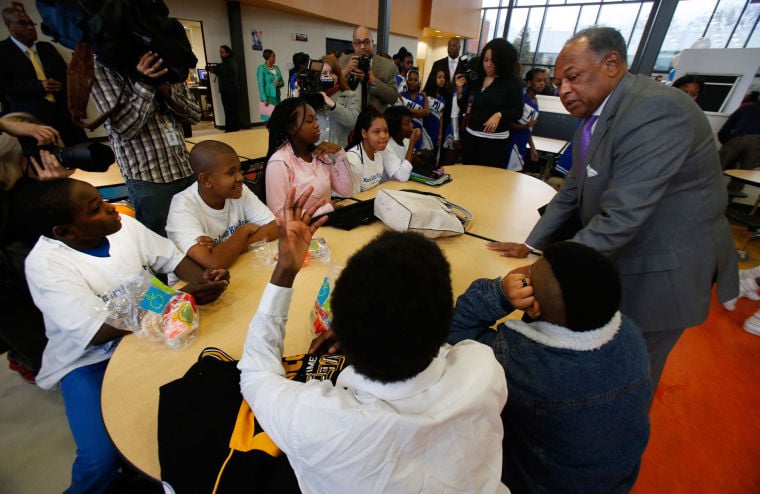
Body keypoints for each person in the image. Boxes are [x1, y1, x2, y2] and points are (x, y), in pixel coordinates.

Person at [487, 26, 738, 395]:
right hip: (628, 260)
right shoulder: (596, 117)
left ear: (611, 64)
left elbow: (622, 217)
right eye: (559, 82)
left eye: (573, 77)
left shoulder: (656, 110)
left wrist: (546, 272)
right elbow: (573, 189)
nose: (564, 90)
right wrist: (532, 245)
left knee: (629, 381)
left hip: (664, 273)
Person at [238, 188, 509, 493]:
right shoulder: (483, 369)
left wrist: (286, 270)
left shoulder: (321, 423)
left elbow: (255, 373)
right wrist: (373, 326)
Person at [22, 177, 229, 493]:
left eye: (101, 199)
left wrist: (204, 279)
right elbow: (96, 331)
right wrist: (179, 299)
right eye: (95, 209)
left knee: (205, 401)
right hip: (90, 362)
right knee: (99, 461)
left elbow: (174, 261)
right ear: (65, 232)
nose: (112, 208)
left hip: (151, 336)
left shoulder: (122, 227)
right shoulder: (47, 266)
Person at [450, 241, 651, 493]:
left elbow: (456, 335)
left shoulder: (524, 364)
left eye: (528, 276)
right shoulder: (629, 333)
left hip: (541, 484)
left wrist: (501, 291)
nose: (524, 274)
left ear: (533, 307)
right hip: (613, 478)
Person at [91, 51, 201, 236]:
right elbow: (124, 128)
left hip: (183, 167)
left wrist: (166, 90)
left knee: (196, 234)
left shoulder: (162, 59)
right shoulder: (102, 64)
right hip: (148, 177)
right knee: (161, 245)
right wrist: (145, 84)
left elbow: (195, 115)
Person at [0, 113, 70, 382]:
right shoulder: (22, 202)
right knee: (46, 356)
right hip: (17, 295)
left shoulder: (23, 191)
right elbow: (67, 240)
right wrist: (57, 196)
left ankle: (20, 357)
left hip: (22, 288)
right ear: (22, 159)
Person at [165, 140, 276, 270]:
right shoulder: (182, 207)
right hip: (194, 284)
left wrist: (224, 251)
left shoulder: (239, 190)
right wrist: (243, 231)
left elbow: (275, 228)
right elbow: (214, 263)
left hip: (235, 267)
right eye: (231, 173)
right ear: (206, 180)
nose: (240, 177)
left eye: (240, 170)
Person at [0, 7, 86, 146]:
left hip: (63, 116)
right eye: (23, 23)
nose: (30, 28)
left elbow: (67, 76)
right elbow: (4, 86)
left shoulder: (46, 48)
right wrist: (38, 86)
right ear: (10, 26)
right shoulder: (3, 52)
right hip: (32, 119)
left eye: (31, 24)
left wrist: (61, 85)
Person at [264, 97, 352, 217]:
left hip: (326, 224)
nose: (317, 125)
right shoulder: (279, 163)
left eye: (315, 119)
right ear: (291, 128)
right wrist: (325, 210)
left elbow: (346, 190)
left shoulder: (319, 155)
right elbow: (279, 215)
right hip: (299, 231)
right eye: (310, 121)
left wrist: (339, 152)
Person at [457, 38, 523, 167]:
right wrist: (460, 92)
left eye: (493, 61)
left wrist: (500, 114)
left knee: (488, 181)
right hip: (471, 137)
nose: (488, 64)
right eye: (486, 60)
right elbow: (465, 107)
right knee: (468, 177)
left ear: (502, 61)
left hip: (494, 143)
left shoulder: (512, 81)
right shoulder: (477, 78)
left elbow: (518, 111)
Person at [345, 106, 412, 193]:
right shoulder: (353, 160)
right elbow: (351, 200)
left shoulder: (378, 154)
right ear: (364, 133)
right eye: (377, 132)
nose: (383, 136)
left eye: (386, 131)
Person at [339, 26, 399, 111]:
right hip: (348, 119)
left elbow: (393, 98)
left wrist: (373, 80)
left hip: (375, 120)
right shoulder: (343, 61)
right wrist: (345, 71)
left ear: (372, 43)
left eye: (366, 42)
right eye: (358, 42)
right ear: (353, 44)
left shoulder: (388, 66)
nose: (362, 46)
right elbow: (332, 90)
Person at [313, 54, 360, 148]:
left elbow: (354, 123)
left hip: (338, 154)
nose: (329, 76)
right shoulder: (312, 96)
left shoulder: (350, 95)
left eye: (333, 72)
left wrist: (333, 105)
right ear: (318, 76)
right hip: (315, 155)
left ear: (338, 74)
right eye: (324, 73)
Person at [505, 68, 546, 171]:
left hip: (522, 146)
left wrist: (532, 147)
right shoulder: (521, 99)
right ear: (529, 82)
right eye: (539, 80)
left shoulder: (535, 101)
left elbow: (529, 129)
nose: (542, 84)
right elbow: (509, 124)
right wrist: (526, 125)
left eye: (544, 81)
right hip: (511, 145)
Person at [717, 98, 760, 172]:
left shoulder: (746, 107)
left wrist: (727, 143)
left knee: (716, 168)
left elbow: (725, 130)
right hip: (757, 143)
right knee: (742, 176)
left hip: (737, 138)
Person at [210, 45, 242, 132]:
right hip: (232, 90)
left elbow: (221, 71)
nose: (220, 54)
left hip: (228, 90)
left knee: (229, 110)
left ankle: (230, 128)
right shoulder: (231, 62)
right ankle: (234, 127)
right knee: (232, 110)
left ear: (228, 53)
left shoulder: (227, 63)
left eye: (222, 52)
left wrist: (213, 70)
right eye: (220, 52)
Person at [422, 68, 452, 155]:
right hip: (425, 129)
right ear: (433, 78)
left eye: (444, 77)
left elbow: (441, 116)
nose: (442, 79)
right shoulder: (425, 94)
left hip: (436, 131)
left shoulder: (443, 97)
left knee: (433, 155)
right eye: (439, 77)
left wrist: (440, 134)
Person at [398, 68, 429, 150]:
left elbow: (426, 112)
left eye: (415, 80)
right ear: (406, 81)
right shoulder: (401, 95)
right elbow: (400, 112)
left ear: (418, 82)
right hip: (404, 132)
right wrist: (418, 113)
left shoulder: (423, 97)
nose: (412, 82)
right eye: (410, 79)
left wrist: (409, 110)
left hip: (418, 132)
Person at [383, 105, 421, 172]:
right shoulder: (386, 146)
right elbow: (402, 176)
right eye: (407, 123)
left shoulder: (406, 140)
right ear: (395, 126)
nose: (412, 125)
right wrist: (412, 143)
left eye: (411, 121)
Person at [257, 49, 284, 121]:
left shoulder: (277, 68)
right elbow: (261, 85)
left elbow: (282, 82)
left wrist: (279, 83)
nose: (275, 58)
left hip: (277, 96)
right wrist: (264, 99)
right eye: (273, 56)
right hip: (268, 97)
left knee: (278, 117)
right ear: (268, 57)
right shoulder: (261, 68)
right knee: (268, 118)